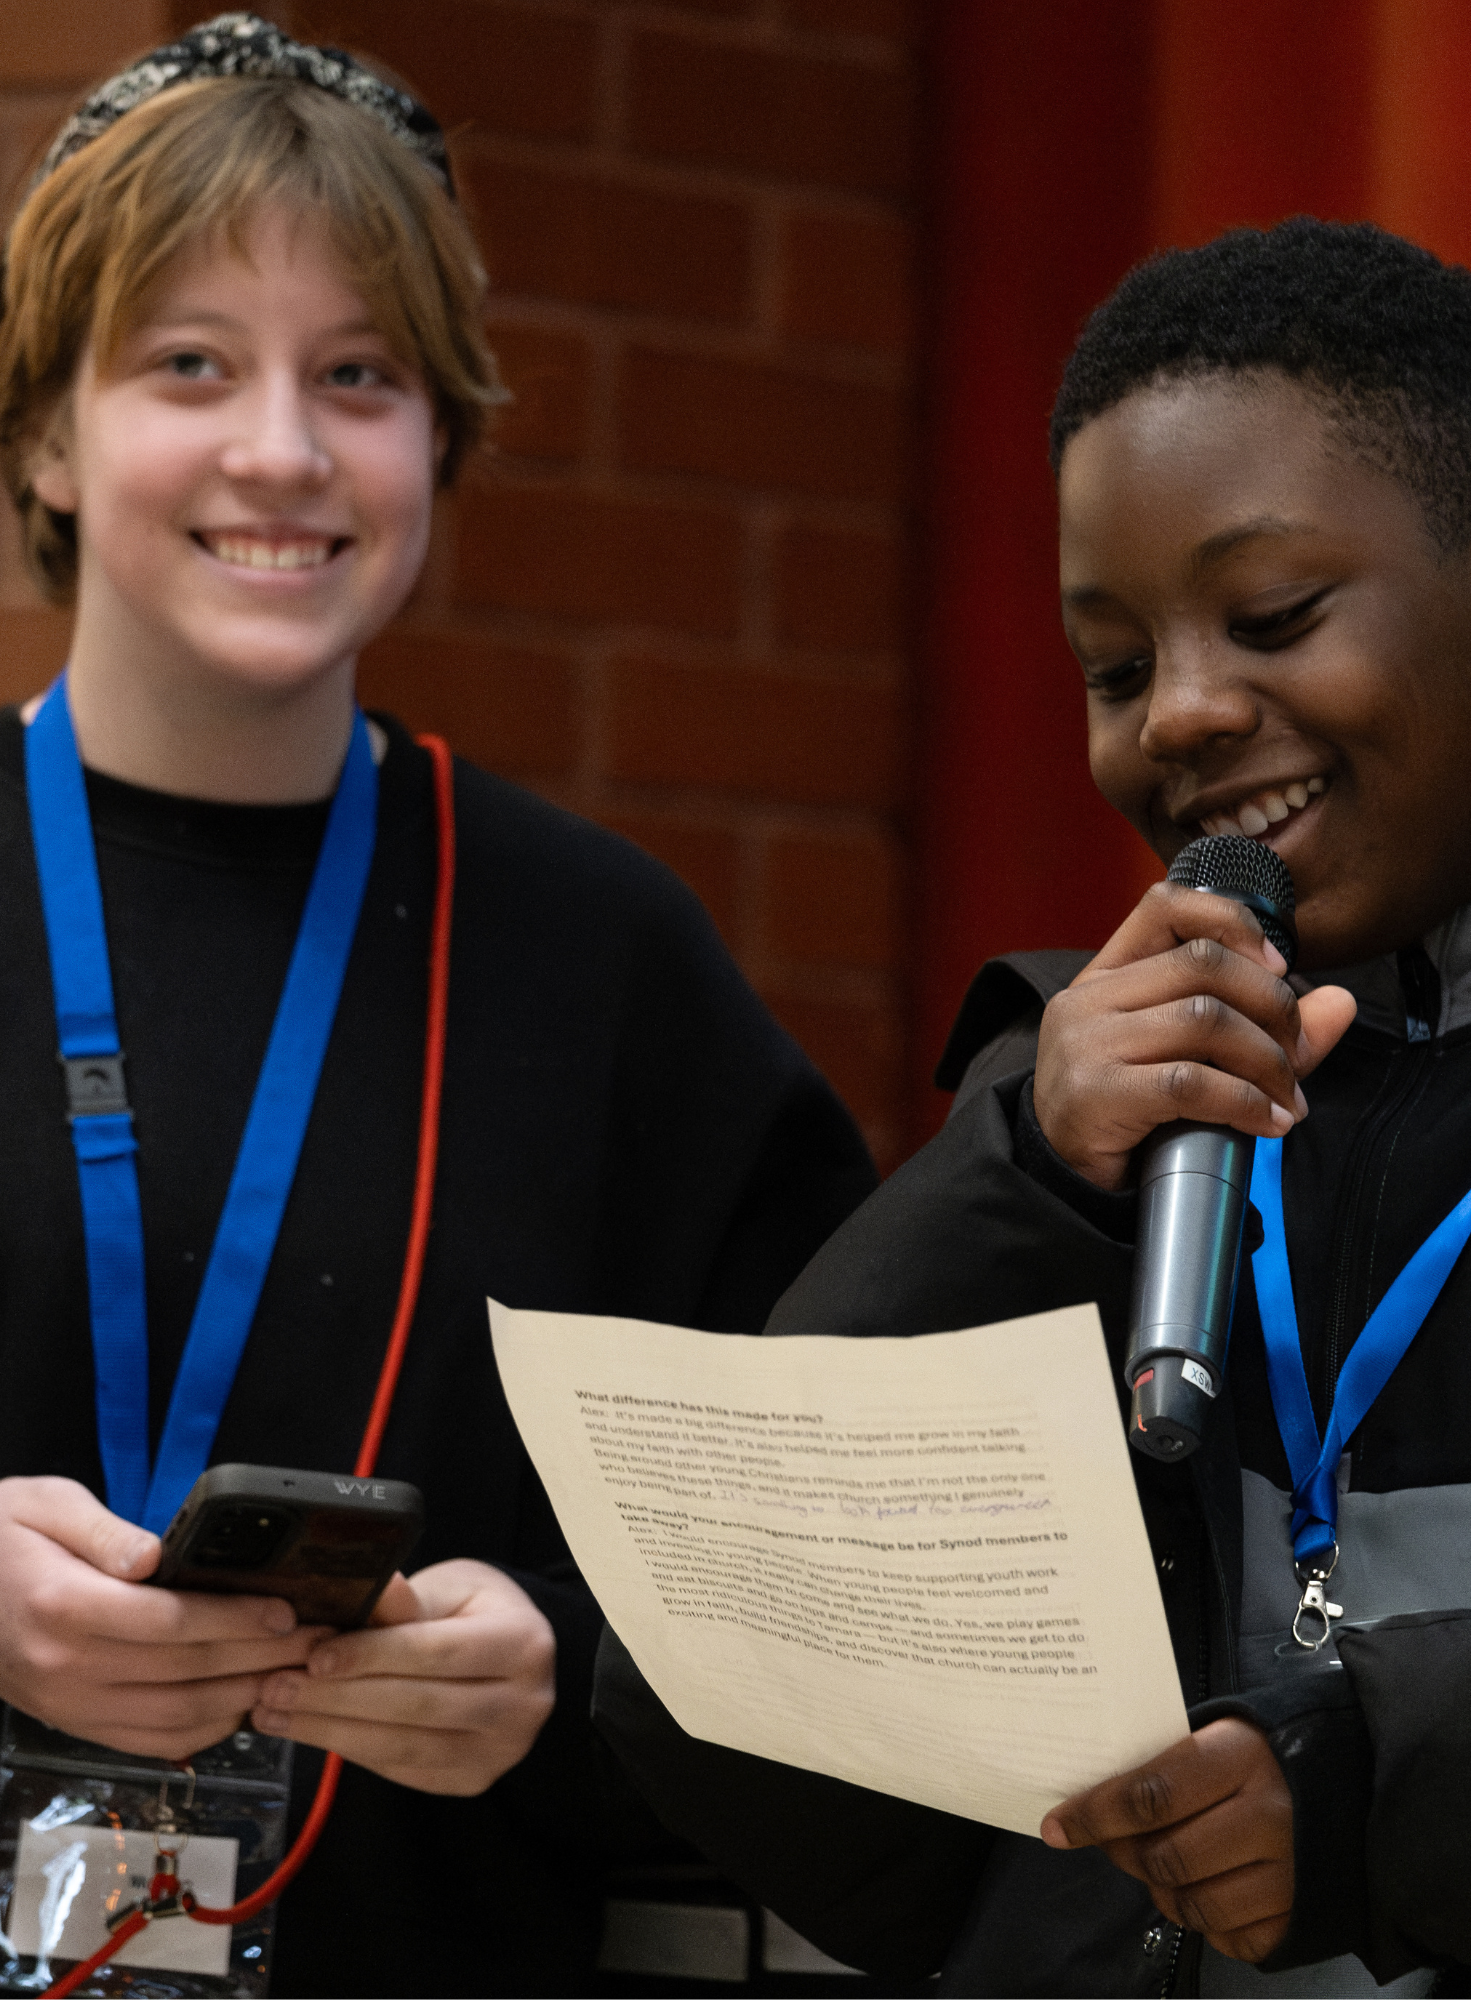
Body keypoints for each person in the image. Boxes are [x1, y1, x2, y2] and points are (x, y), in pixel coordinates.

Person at [595, 218, 1471, 1995]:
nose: (1182, 712)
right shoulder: (1098, 1119)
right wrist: (1020, 1176)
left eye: (1271, 618)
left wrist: (1396, 1796)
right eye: (1115, 667)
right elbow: (731, 1679)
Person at [0, 16, 875, 1997]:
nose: (284, 449)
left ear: (442, 440)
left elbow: (835, 1558)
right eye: (189, 364)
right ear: (46, 435)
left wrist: (571, 1672)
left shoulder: (606, 957)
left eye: (362, 377)